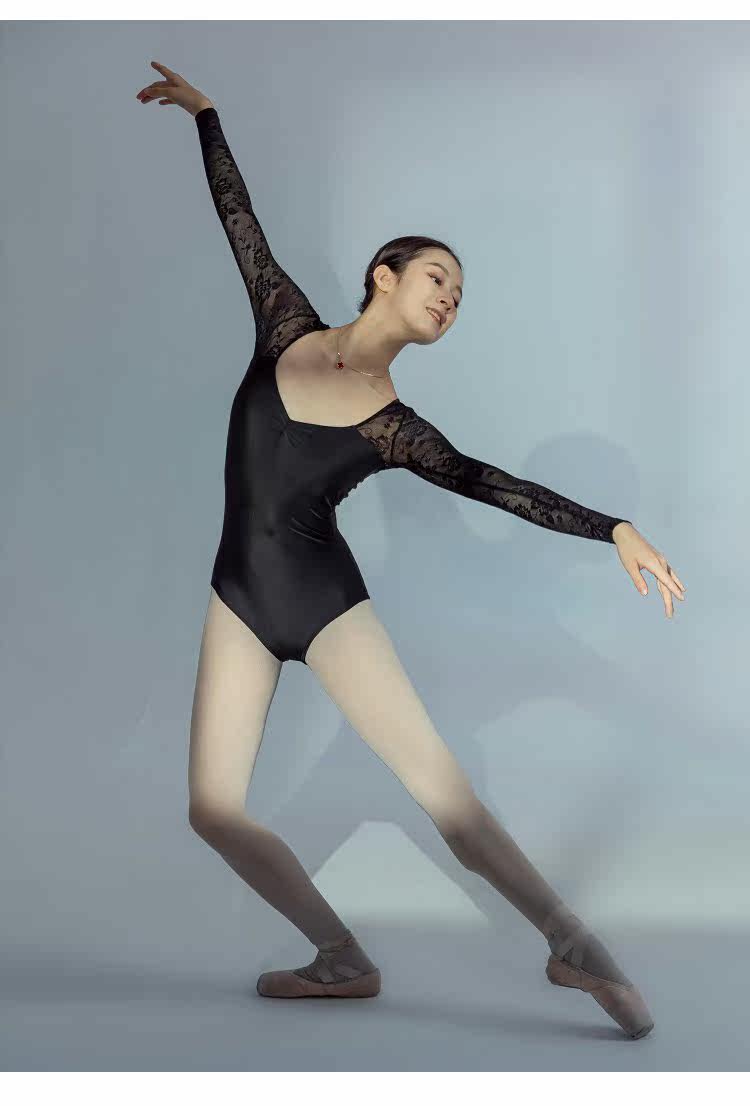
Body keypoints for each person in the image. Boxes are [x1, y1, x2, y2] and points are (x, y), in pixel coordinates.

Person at [136, 61, 686, 1039]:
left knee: (451, 805)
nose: (450, 299)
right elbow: (239, 217)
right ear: (383, 275)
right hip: (239, 597)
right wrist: (207, 114)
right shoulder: (282, 320)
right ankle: (341, 957)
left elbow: (493, 484)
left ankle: (572, 943)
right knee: (213, 809)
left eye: (461, 298)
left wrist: (614, 527)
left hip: (326, 605)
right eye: (440, 278)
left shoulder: (396, 428)